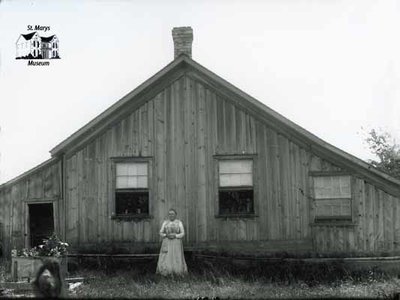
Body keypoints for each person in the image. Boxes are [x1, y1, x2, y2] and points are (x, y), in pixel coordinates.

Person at [156, 208, 188, 276]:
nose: (171, 215)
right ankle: (166, 271)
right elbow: (160, 232)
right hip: (167, 241)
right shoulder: (165, 222)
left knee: (176, 256)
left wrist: (175, 236)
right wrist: (166, 235)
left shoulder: (179, 222)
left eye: (172, 214)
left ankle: (177, 272)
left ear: (175, 215)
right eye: (170, 214)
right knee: (166, 256)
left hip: (176, 242)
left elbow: (183, 233)